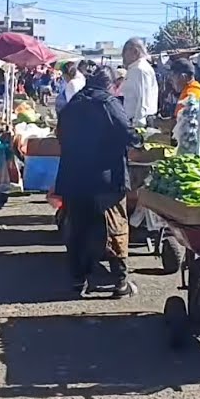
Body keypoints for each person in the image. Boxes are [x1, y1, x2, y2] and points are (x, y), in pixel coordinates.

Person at [56, 65, 142, 297]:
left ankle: (77, 281)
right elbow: (127, 132)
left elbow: (60, 134)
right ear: (112, 85)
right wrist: (139, 139)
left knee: (78, 230)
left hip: (74, 179)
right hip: (105, 180)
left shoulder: (73, 103)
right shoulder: (108, 103)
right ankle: (120, 282)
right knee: (114, 227)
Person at [120, 38, 158, 127]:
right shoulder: (135, 68)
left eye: (125, 52)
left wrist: (138, 123)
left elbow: (143, 98)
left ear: (135, 52)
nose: (123, 56)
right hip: (135, 118)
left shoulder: (139, 69)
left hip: (139, 120)